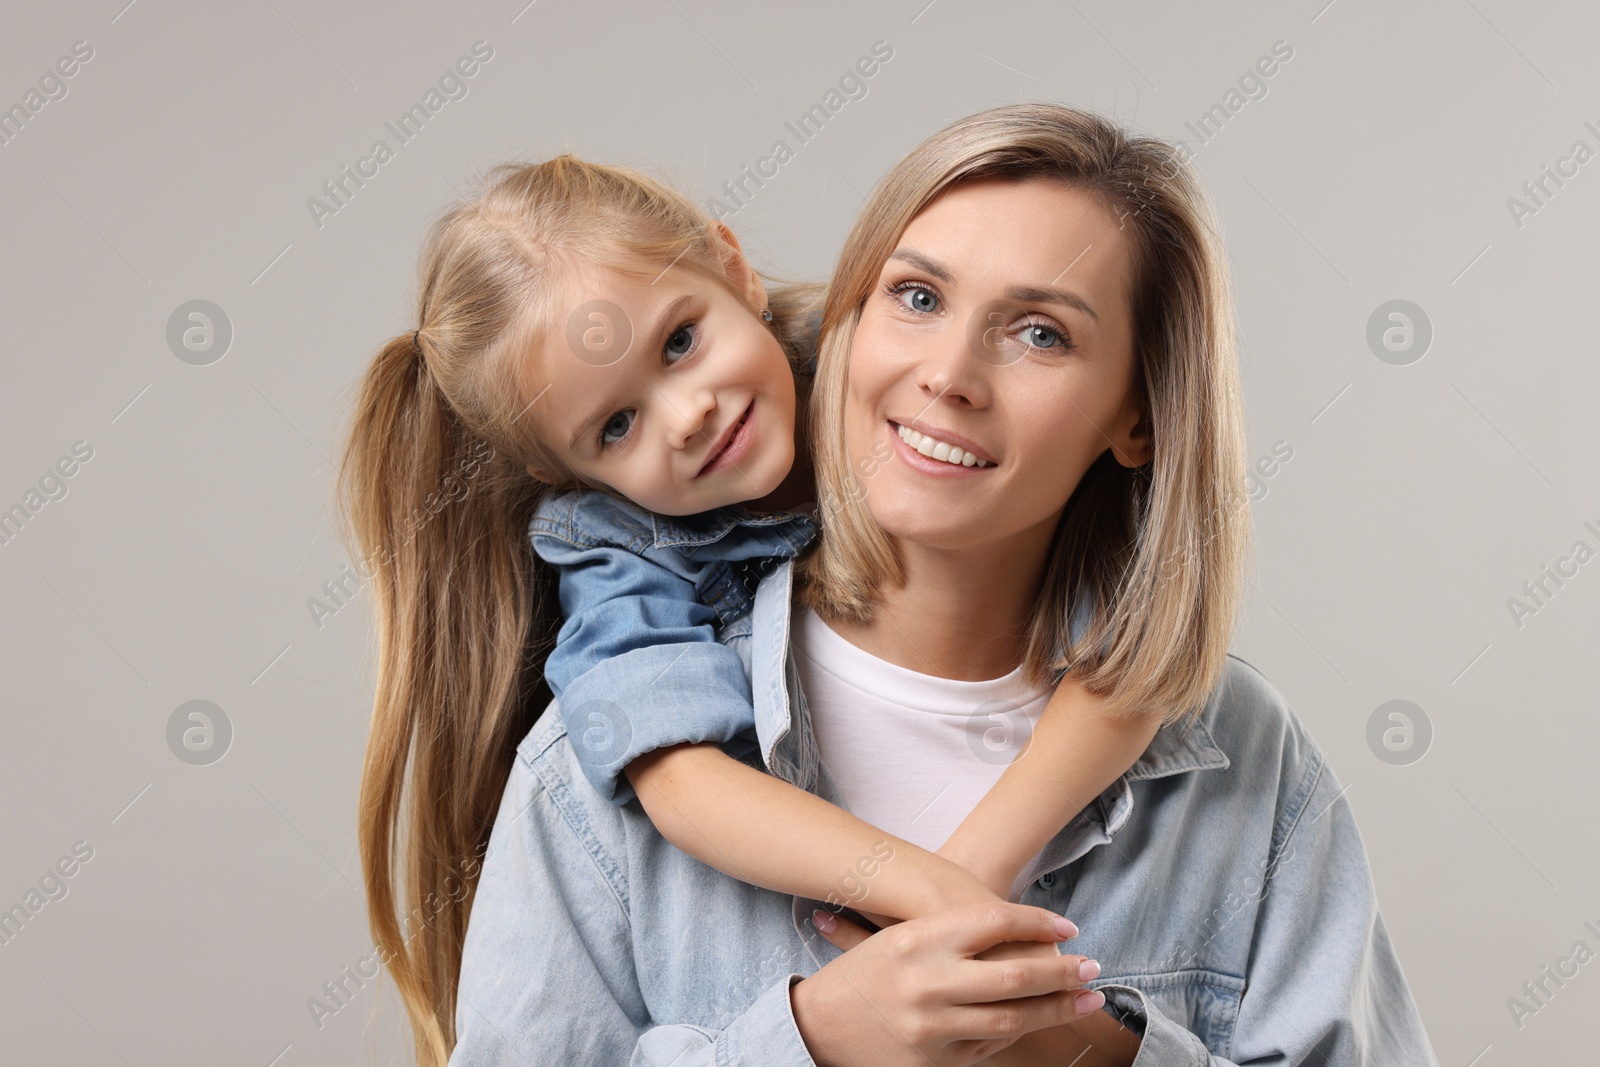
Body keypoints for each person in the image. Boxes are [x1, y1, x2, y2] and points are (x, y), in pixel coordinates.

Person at [345, 104, 1441, 1065]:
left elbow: (1143, 649)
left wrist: (1074, 1039)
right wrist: (811, 1038)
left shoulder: (1246, 764)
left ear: (1139, 412)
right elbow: (675, 776)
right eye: (917, 296)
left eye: (1040, 332)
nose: (948, 376)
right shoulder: (601, 752)